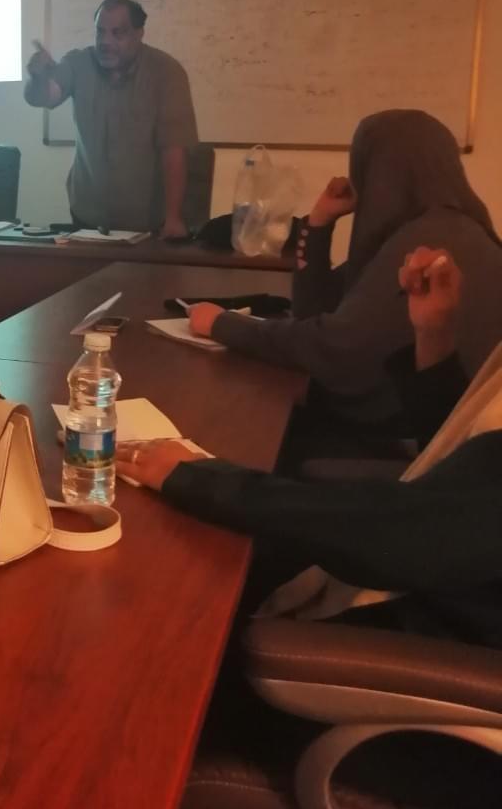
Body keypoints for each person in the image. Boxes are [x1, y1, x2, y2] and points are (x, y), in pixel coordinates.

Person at [118, 248, 502, 646]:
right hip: (414, 564)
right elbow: (456, 462)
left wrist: (198, 477)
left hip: (419, 631)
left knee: (156, 590)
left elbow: (417, 537)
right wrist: (434, 335)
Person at [187, 110, 502, 421]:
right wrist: (319, 222)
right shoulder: (447, 228)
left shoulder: (430, 244)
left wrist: (222, 325)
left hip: (400, 430)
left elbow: (334, 349)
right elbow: (315, 313)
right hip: (431, 423)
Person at [23, 0, 198, 237]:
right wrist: (38, 77)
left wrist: (174, 218)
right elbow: (43, 97)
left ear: (139, 34)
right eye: (100, 32)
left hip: (148, 222)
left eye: (118, 33)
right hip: (88, 217)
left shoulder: (166, 72)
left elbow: (174, 149)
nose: (105, 41)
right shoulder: (78, 62)